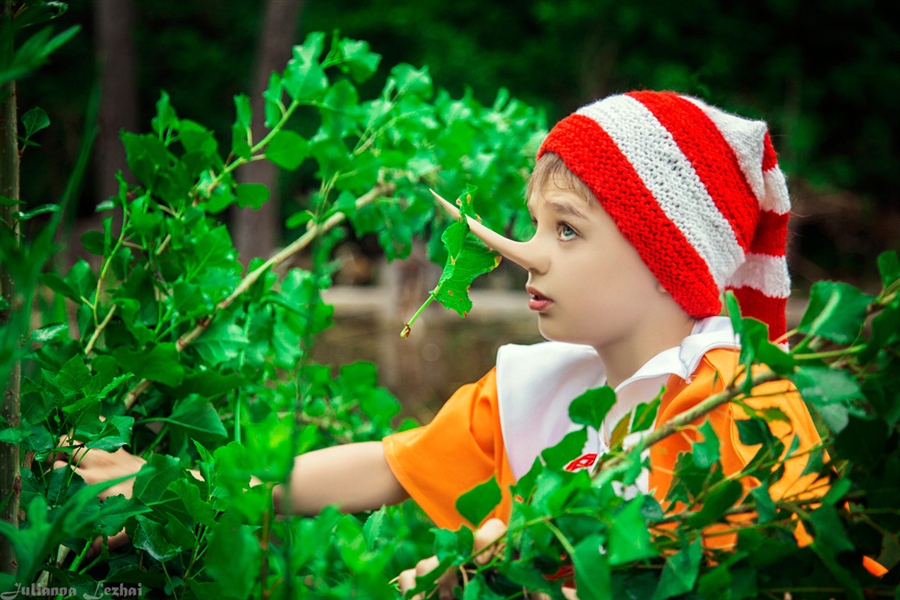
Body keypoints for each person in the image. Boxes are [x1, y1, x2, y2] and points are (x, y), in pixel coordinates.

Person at [55, 90, 824, 597]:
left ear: (669, 260)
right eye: (533, 223)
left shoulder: (742, 405)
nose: (528, 252)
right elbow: (391, 463)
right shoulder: (540, 386)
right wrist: (187, 493)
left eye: (566, 229)